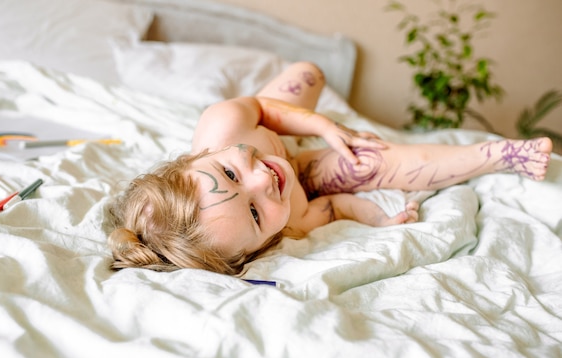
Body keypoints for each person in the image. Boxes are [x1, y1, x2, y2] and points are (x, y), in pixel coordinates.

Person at [108, 62, 552, 275]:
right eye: (256, 213)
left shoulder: (222, 125)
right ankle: (498, 154)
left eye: (229, 174)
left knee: (308, 74)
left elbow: (265, 107)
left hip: (267, 126)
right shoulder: (291, 221)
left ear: (195, 158)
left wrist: (328, 128)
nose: (264, 181)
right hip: (302, 171)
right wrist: (382, 219)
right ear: (258, 243)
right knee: (375, 163)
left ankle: (315, 128)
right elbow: (338, 207)